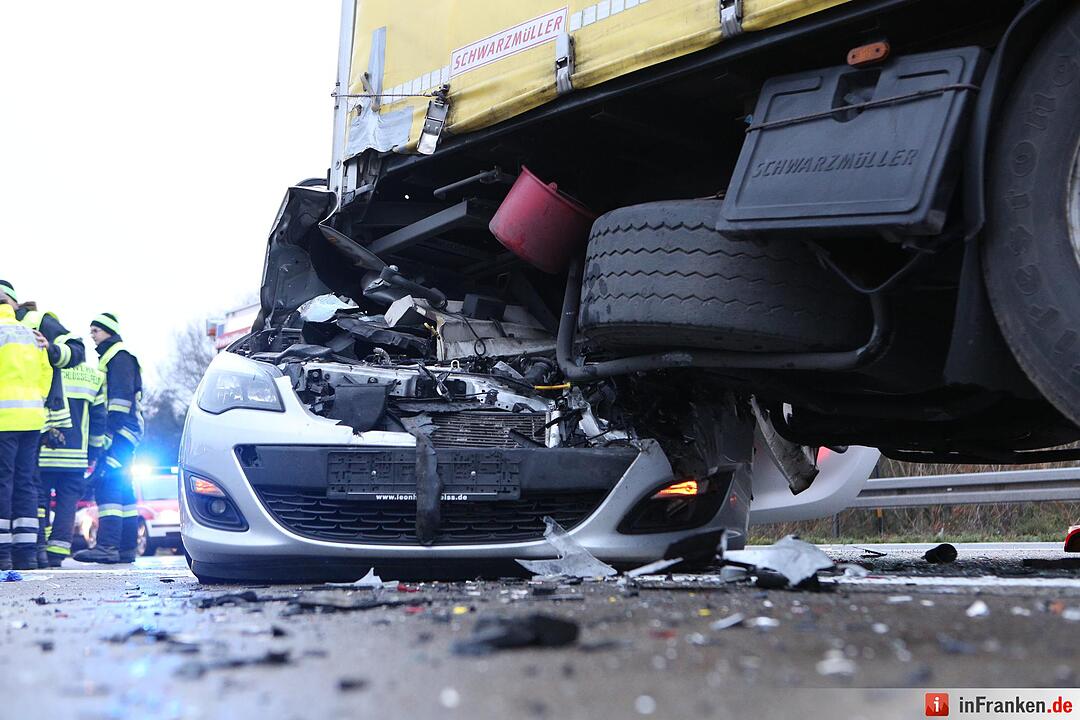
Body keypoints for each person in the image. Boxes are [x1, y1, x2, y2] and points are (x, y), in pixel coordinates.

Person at [73, 313, 143, 564]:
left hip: (120, 432)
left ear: (109, 331)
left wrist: (108, 434)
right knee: (123, 488)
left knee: (108, 484)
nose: (92, 336)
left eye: (96, 331)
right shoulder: (114, 357)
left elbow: (119, 401)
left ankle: (107, 547)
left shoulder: (118, 357)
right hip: (126, 432)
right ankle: (125, 548)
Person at [0, 295, 52, 570]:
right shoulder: (30, 334)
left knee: (3, 482)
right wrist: (36, 400)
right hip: (32, 417)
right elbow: (46, 373)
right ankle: (27, 553)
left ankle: (2, 553)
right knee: (26, 483)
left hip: (4, 419)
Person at [38, 362, 107, 567]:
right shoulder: (93, 377)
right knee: (67, 506)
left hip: (43, 454)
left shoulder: (44, 368)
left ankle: (39, 548)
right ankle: (57, 553)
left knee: (39, 503)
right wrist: (93, 453)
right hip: (76, 457)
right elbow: (98, 421)